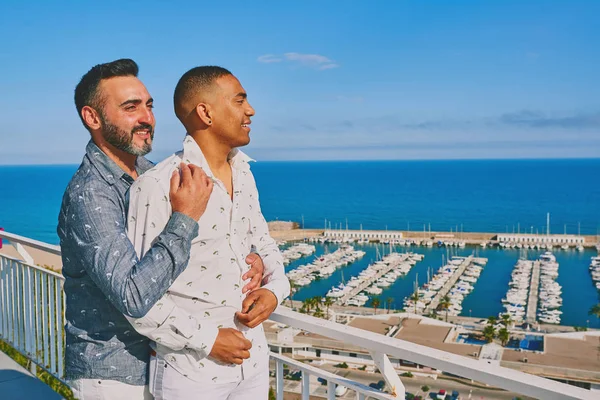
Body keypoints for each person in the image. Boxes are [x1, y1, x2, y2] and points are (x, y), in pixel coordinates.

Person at [58, 59, 265, 400]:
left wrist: (250, 261)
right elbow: (133, 295)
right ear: (92, 118)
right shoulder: (90, 194)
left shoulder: (152, 174)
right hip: (114, 375)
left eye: (149, 105)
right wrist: (185, 218)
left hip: (163, 361)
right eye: (130, 107)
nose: (147, 118)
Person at [126, 66, 290, 400]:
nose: (251, 110)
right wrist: (208, 339)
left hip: (254, 362)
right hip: (191, 372)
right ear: (206, 112)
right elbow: (136, 300)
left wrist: (275, 290)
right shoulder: (157, 186)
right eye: (240, 100)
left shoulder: (244, 173)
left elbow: (265, 244)